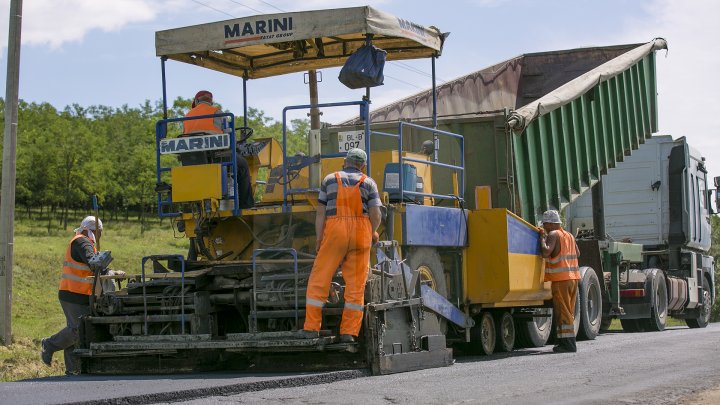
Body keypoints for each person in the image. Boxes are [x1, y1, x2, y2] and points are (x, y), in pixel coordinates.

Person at [300, 148, 383, 343]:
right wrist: (371, 232)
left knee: (319, 279)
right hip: (361, 233)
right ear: (363, 165)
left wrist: (320, 240)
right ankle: (348, 333)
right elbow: (376, 215)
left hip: (335, 232)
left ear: (344, 162)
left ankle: (312, 328)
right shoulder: (369, 182)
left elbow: (320, 215)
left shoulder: (329, 179)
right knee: (356, 286)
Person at [41, 216, 104, 374]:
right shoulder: (82, 242)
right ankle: (48, 345)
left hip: (76, 293)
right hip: (73, 293)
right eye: (99, 232)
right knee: (77, 329)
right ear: (91, 230)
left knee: (75, 330)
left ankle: (72, 370)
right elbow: (92, 262)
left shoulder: (82, 242)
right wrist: (105, 268)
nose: (100, 236)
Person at [183, 90, 254, 209]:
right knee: (243, 165)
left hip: (192, 160)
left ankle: (193, 207)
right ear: (210, 101)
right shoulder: (217, 112)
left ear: (196, 101)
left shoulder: (187, 116)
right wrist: (236, 148)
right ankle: (246, 205)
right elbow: (229, 136)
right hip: (217, 157)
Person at [539, 209, 581, 353]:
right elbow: (578, 253)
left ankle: (568, 344)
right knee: (568, 311)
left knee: (563, 312)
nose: (544, 227)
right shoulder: (569, 235)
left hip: (560, 279)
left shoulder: (553, 234)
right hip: (573, 278)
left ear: (550, 224)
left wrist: (541, 239)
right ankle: (565, 342)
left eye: (545, 225)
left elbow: (546, 252)